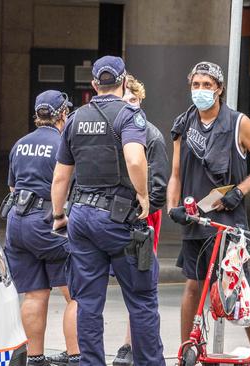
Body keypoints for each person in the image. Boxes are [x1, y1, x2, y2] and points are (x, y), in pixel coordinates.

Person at [50, 55, 164, 366]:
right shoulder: (129, 116)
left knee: (87, 302)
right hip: (118, 219)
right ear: (124, 81)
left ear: (94, 85)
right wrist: (143, 195)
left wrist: (59, 215)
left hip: (81, 217)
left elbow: (61, 175)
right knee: (141, 300)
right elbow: (136, 160)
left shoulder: (74, 119)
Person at [167, 61, 250, 366]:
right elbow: (175, 173)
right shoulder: (182, 124)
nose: (201, 90)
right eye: (196, 85)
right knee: (193, 286)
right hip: (194, 219)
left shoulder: (238, 123)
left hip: (227, 222)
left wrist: (240, 191)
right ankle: (187, 351)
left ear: (219, 88)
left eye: (207, 85)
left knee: (240, 287)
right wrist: (172, 206)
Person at [4, 90, 80, 366]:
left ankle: (34, 358)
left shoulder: (20, 144)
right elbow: (68, 186)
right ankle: (76, 357)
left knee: (34, 293)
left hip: (18, 222)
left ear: (37, 114)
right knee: (77, 293)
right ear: (62, 114)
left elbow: (13, 187)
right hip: (49, 222)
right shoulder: (64, 144)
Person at [112, 74, 169, 366]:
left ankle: (130, 344)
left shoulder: (151, 134)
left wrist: (142, 210)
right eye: (125, 101)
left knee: (141, 283)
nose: (130, 106)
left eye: (134, 101)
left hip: (144, 216)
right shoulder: (112, 132)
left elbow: (158, 186)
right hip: (113, 215)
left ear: (141, 101)